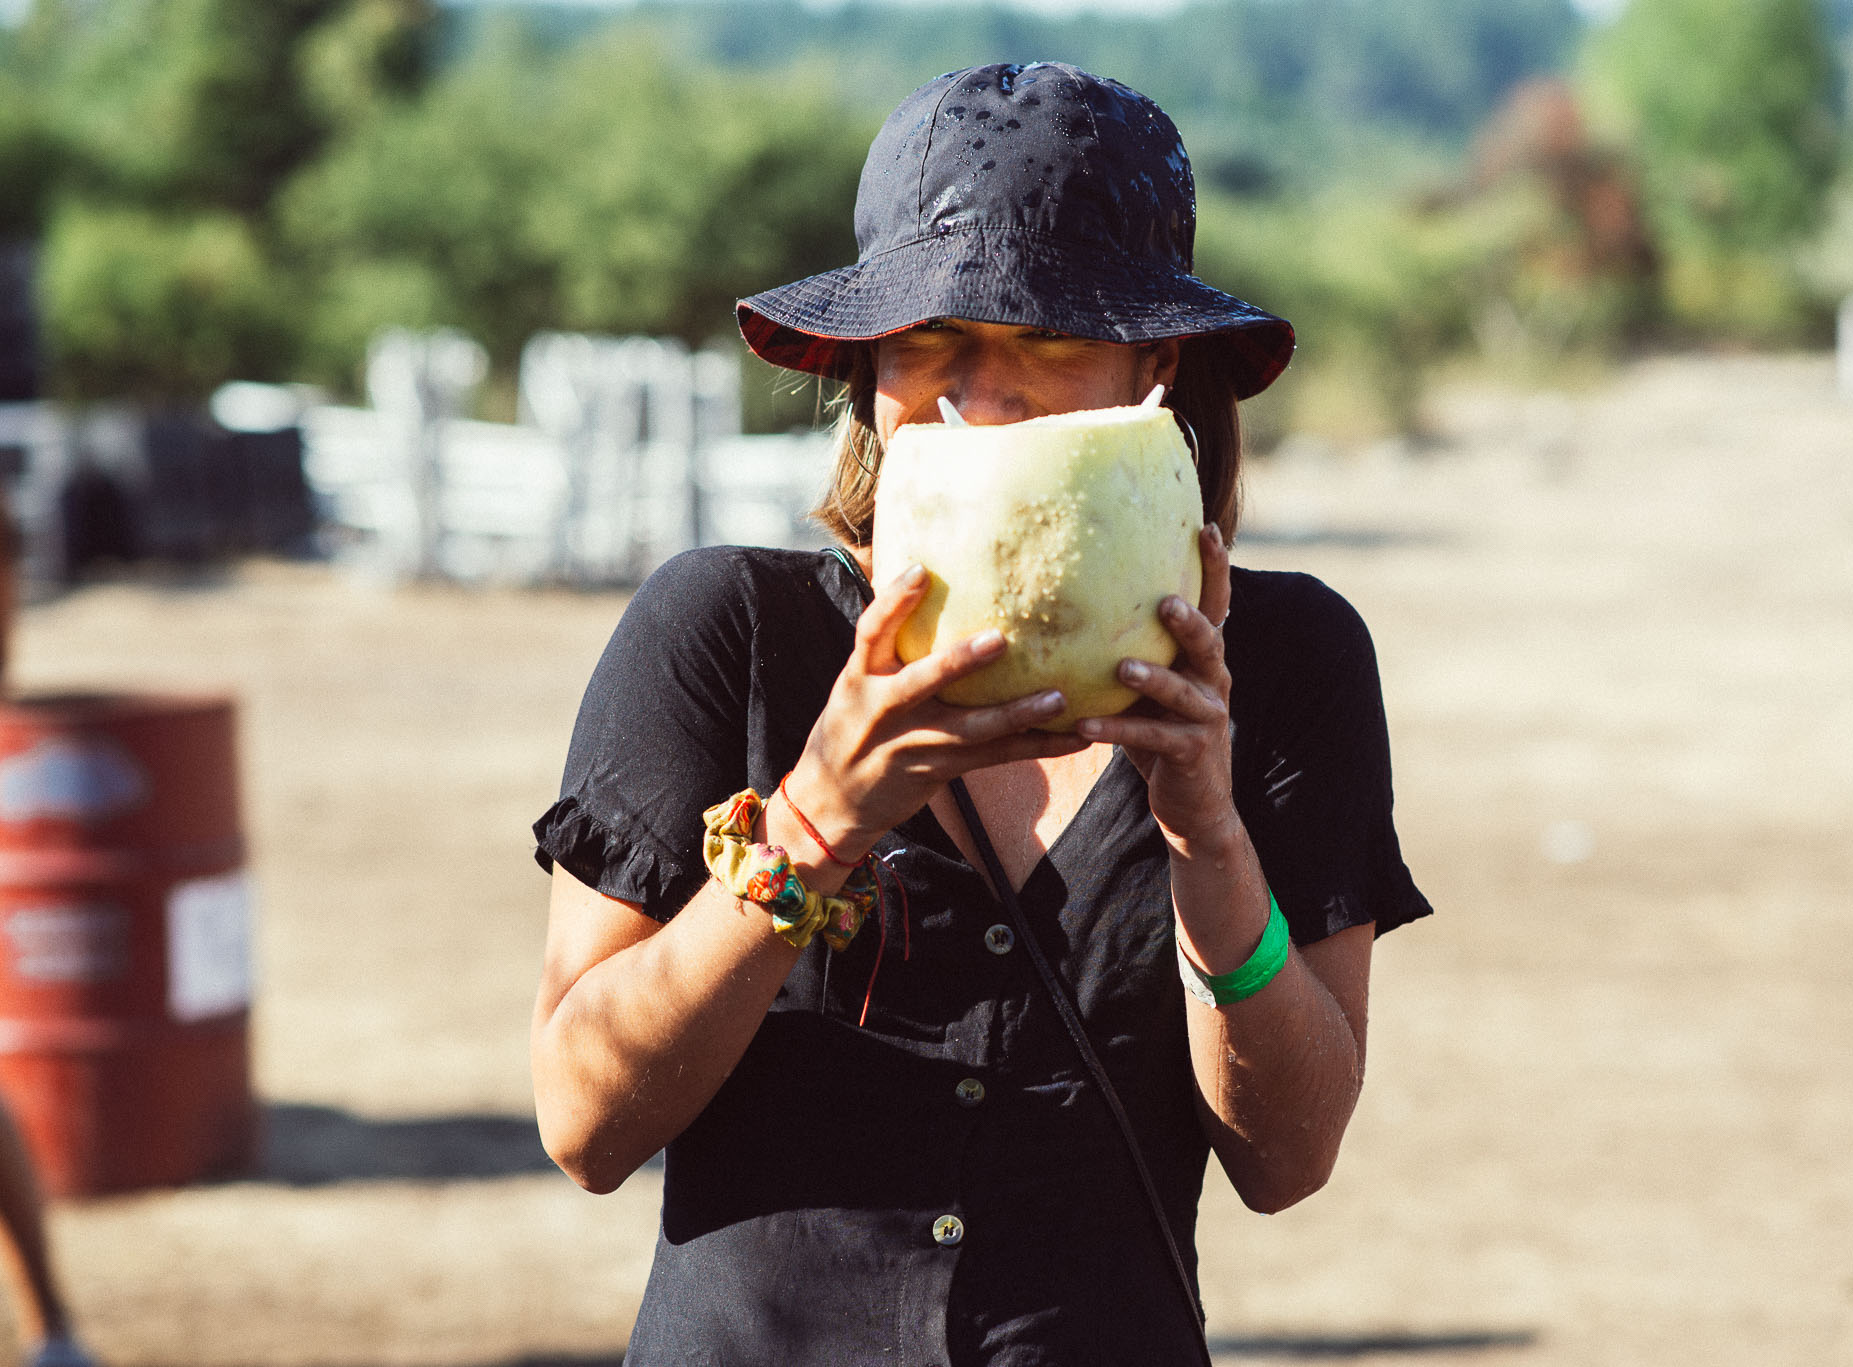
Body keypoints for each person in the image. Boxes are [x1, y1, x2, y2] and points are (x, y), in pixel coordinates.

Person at [530, 61, 1432, 1366]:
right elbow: (584, 1121)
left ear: (1155, 366)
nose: (979, 397)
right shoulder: (728, 631)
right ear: (871, 374)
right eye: (928, 341)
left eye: (1047, 340)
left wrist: (1209, 841)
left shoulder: (1284, 662)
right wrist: (814, 822)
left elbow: (1287, 1158)